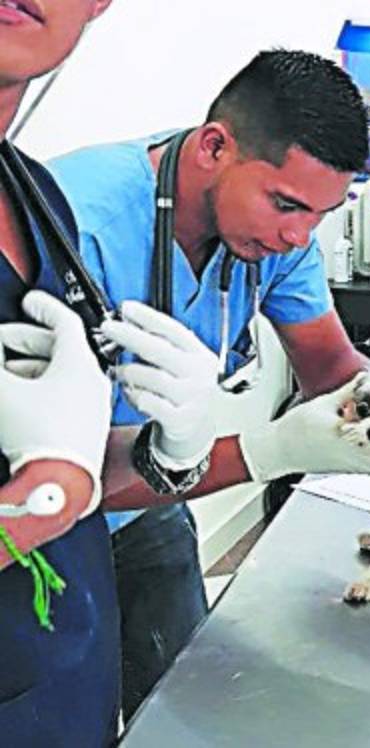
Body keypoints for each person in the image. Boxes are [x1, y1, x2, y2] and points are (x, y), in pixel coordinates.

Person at [49, 50, 370, 719]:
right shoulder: (76, 225)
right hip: (48, 529)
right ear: (216, 147)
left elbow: (330, 368)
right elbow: (56, 475)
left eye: (320, 216)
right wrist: (268, 451)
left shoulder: (281, 236)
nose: (298, 235)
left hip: (151, 511)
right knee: (73, 718)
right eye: (286, 205)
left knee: (188, 704)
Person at [0, 2, 119, 744]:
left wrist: (263, 449)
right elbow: (55, 481)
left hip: (65, 689)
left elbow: (73, 468)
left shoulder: (36, 196)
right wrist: (45, 494)